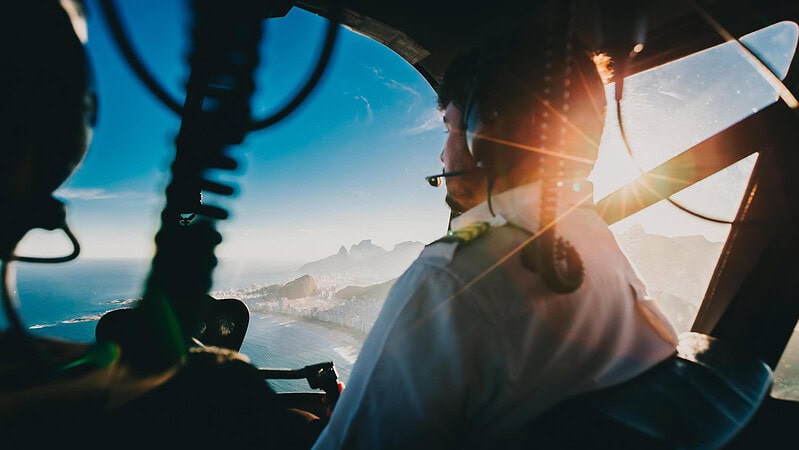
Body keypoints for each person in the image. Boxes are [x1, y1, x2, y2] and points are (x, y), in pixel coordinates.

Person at [311, 18, 678, 450]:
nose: (443, 152)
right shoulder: (597, 242)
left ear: (485, 132)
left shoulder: (451, 279)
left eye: (449, 128)